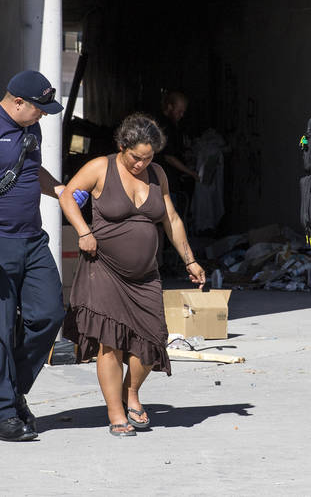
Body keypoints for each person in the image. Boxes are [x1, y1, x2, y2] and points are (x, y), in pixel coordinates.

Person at [0, 70, 87, 442]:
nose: (43, 115)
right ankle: (1, 414)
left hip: (31, 240)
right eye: (39, 108)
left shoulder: (31, 127)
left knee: (49, 315)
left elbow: (27, 169)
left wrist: (58, 189)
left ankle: (13, 390)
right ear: (17, 102)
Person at [59, 113, 205, 438]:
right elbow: (68, 195)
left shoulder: (157, 174)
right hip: (104, 269)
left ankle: (131, 392)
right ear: (121, 146)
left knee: (151, 340)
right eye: (136, 157)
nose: (141, 164)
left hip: (145, 277)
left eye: (148, 157)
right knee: (109, 343)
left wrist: (190, 260)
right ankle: (115, 412)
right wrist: (83, 230)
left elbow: (171, 218)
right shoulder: (101, 167)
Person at [155, 91, 198, 215]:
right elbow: (169, 157)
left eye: (184, 112)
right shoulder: (166, 126)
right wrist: (191, 173)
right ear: (170, 107)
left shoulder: (165, 123)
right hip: (164, 183)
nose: (182, 115)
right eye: (179, 111)